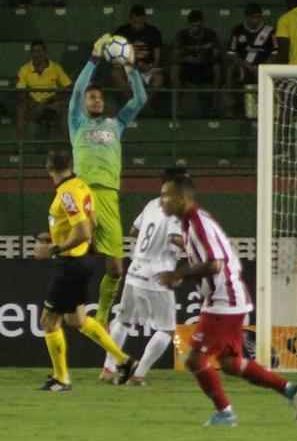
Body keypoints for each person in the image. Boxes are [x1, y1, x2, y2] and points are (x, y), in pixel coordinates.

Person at [158, 173, 297, 427]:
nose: (161, 201)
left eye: (166, 196)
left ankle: (225, 414)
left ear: (182, 198)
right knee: (230, 363)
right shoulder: (190, 223)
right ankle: (291, 389)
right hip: (226, 298)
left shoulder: (197, 223)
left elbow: (215, 264)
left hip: (223, 299)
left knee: (195, 360)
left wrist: (178, 273)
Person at [33, 149, 137, 391]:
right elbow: (93, 222)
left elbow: (83, 231)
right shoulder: (81, 186)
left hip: (69, 265)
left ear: (49, 169)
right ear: (70, 165)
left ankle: (61, 379)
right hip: (82, 260)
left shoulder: (67, 193)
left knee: (48, 321)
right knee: (77, 319)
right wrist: (55, 236)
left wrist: (54, 249)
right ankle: (124, 361)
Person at [69, 35, 148, 326]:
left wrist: (131, 68)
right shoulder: (77, 123)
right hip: (83, 194)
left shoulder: (117, 124)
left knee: (115, 268)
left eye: (100, 97)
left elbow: (140, 99)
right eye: (91, 97)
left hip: (109, 197)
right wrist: (93, 58)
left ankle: (102, 313)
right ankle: (70, 304)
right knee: (79, 251)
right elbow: (78, 89)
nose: (96, 99)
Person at [100, 168, 186, 386]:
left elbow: (134, 230)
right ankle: (138, 375)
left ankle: (109, 369)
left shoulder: (151, 204)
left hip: (135, 270)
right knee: (166, 329)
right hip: (158, 274)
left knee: (123, 320)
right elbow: (175, 238)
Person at [16, 39, 71, 140]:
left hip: (51, 102)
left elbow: (68, 87)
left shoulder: (55, 68)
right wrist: (34, 104)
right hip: (33, 104)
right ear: (31, 53)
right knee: (21, 108)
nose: (37, 55)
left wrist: (50, 102)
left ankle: (68, 148)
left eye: (40, 51)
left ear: (45, 53)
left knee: (65, 110)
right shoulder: (24, 69)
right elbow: (21, 93)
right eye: (34, 52)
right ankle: (19, 148)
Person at [227, 2, 275, 115]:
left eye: (258, 17)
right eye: (253, 17)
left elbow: (274, 53)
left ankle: (265, 108)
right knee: (230, 69)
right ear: (247, 17)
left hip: (263, 68)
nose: (256, 20)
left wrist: (263, 67)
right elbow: (231, 53)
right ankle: (231, 103)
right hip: (243, 66)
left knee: (264, 74)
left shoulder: (270, 31)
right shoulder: (237, 30)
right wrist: (247, 65)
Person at [172, 9, 222, 116]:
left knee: (217, 66)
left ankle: (214, 103)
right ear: (189, 24)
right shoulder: (182, 35)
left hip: (205, 66)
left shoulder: (210, 34)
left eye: (199, 25)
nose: (196, 28)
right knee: (175, 67)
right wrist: (188, 58)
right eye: (193, 25)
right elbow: (176, 55)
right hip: (188, 66)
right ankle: (176, 107)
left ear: (202, 23)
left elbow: (216, 54)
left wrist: (205, 57)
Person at [114, 5, 164, 91]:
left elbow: (157, 57)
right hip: (127, 67)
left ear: (145, 19)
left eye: (140, 22)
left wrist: (151, 67)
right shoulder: (121, 31)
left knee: (158, 79)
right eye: (134, 22)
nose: (137, 25)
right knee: (115, 73)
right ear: (130, 19)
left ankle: (146, 103)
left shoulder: (153, 32)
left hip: (147, 68)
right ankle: (132, 101)